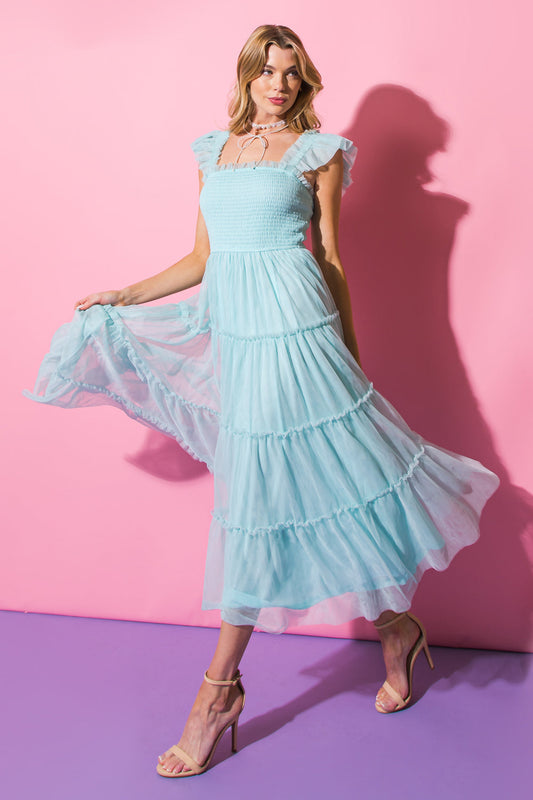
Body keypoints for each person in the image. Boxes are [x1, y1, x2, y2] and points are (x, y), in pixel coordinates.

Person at [24, 24, 500, 778]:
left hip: (300, 336)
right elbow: (204, 257)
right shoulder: (212, 151)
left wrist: (347, 357)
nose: (278, 84)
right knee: (314, 491)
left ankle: (216, 695)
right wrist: (126, 290)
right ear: (245, 78)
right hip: (243, 343)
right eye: (266, 72)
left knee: (265, 501)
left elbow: (332, 259)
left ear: (303, 80)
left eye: (290, 73)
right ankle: (397, 627)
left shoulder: (319, 154)